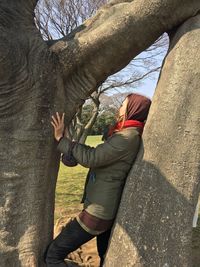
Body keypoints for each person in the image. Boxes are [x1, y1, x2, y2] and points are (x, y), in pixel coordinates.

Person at [45, 93, 151, 267]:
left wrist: (60, 140)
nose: (120, 108)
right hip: (103, 208)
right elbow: (99, 154)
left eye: (123, 105)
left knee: (53, 256)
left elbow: (92, 158)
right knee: (105, 256)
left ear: (134, 109)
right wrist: (70, 146)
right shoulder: (124, 133)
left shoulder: (128, 137)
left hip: (98, 213)